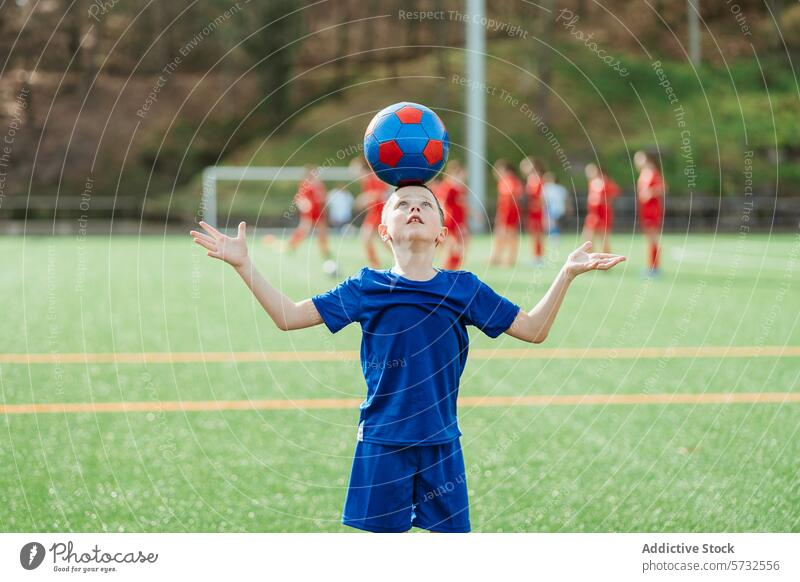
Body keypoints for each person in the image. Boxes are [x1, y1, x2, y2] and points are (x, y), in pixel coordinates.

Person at [190, 185, 625, 533]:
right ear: (384, 231)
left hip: (442, 444)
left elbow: (533, 329)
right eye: (401, 205)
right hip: (381, 442)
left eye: (425, 206)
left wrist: (565, 273)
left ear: (441, 232)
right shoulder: (366, 287)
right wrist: (244, 266)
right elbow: (288, 317)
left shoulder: (464, 288)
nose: (413, 209)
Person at [284, 165, 330, 259]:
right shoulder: (305, 184)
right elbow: (299, 198)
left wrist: (323, 200)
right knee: (303, 230)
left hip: (319, 212)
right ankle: (291, 246)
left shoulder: (320, 185)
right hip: (309, 212)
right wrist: (303, 204)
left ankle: (324, 251)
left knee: (322, 233)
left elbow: (323, 197)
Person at [352, 159, 389, 268]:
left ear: (363, 169)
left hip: (379, 213)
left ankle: (375, 266)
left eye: (355, 169)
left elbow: (381, 193)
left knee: (366, 238)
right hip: (374, 213)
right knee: (383, 241)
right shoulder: (366, 181)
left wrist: (364, 198)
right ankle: (377, 265)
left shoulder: (374, 178)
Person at [634, 151, 665, 275]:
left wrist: (649, 193)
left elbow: (662, 188)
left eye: (639, 159)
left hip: (652, 211)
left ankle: (655, 268)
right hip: (646, 211)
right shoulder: (644, 173)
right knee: (649, 240)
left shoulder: (652, 172)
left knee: (653, 239)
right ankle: (651, 266)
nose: (636, 162)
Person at [434, 160, 469, 270]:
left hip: (460, 222)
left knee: (461, 248)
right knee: (450, 248)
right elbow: (441, 202)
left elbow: (463, 205)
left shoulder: (460, 188)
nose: (463, 177)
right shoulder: (447, 187)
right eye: (462, 174)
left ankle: (454, 271)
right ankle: (444, 271)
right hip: (451, 222)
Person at [489, 159, 522, 267]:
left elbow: (512, 198)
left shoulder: (512, 181)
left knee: (510, 236)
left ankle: (510, 259)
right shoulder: (503, 181)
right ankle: (496, 257)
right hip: (504, 212)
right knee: (499, 234)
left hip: (510, 213)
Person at [581, 163, 620, 254]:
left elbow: (615, 192)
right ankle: (591, 258)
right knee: (587, 237)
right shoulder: (592, 183)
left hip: (603, 213)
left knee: (603, 238)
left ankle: (606, 259)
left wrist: (604, 200)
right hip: (592, 214)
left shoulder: (605, 182)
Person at [520, 157, 547, 266]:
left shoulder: (537, 178)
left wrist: (538, 206)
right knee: (533, 234)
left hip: (537, 210)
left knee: (538, 234)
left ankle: (539, 257)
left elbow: (541, 197)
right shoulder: (531, 179)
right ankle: (535, 256)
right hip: (531, 210)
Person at [542, 172, 569, 236]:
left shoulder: (546, 188)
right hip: (558, 209)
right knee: (554, 224)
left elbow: (543, 200)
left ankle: (554, 237)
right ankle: (554, 236)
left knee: (553, 224)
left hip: (552, 209)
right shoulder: (561, 188)